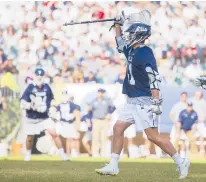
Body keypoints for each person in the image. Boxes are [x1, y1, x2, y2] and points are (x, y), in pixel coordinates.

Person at [95, 10, 190, 179]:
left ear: (138, 34)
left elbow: (153, 76)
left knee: (153, 137)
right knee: (118, 128)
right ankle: (113, 165)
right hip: (132, 100)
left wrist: (155, 100)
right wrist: (117, 24)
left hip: (145, 100)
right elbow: (119, 44)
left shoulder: (145, 52)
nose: (128, 35)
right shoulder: (131, 50)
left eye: (131, 32)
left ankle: (181, 161)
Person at [20, 67, 67, 161]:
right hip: (32, 117)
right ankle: (28, 154)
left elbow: (52, 99)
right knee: (30, 137)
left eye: (41, 75)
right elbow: (23, 102)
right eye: (38, 75)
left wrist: (53, 107)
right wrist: (31, 105)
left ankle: (63, 155)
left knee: (54, 133)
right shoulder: (30, 87)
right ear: (35, 76)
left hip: (44, 116)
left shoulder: (46, 87)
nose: (40, 77)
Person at [50, 90, 81, 158]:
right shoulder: (60, 105)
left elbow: (77, 109)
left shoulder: (72, 105)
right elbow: (54, 111)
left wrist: (72, 116)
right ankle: (55, 149)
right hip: (61, 123)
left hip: (69, 123)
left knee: (70, 138)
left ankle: (70, 152)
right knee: (55, 135)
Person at [90, 88, 116, 157]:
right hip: (96, 120)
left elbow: (113, 108)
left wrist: (109, 114)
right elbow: (90, 110)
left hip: (105, 120)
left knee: (104, 137)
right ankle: (95, 152)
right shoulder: (94, 101)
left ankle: (103, 153)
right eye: (99, 92)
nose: (100, 94)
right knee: (95, 137)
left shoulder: (107, 101)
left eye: (102, 93)